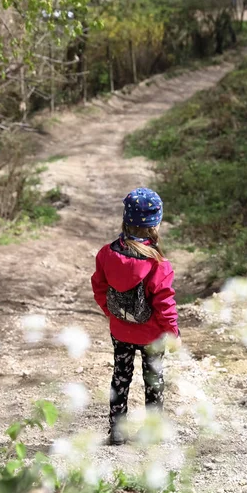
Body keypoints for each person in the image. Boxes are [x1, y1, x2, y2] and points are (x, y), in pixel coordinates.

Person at [91, 188, 180, 445]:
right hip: (152, 335)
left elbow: (99, 287)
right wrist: (172, 332)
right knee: (153, 380)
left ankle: (117, 431)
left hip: (120, 330)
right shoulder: (158, 264)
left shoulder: (107, 254)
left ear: (125, 219)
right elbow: (164, 303)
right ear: (156, 224)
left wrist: (112, 313)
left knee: (120, 377)